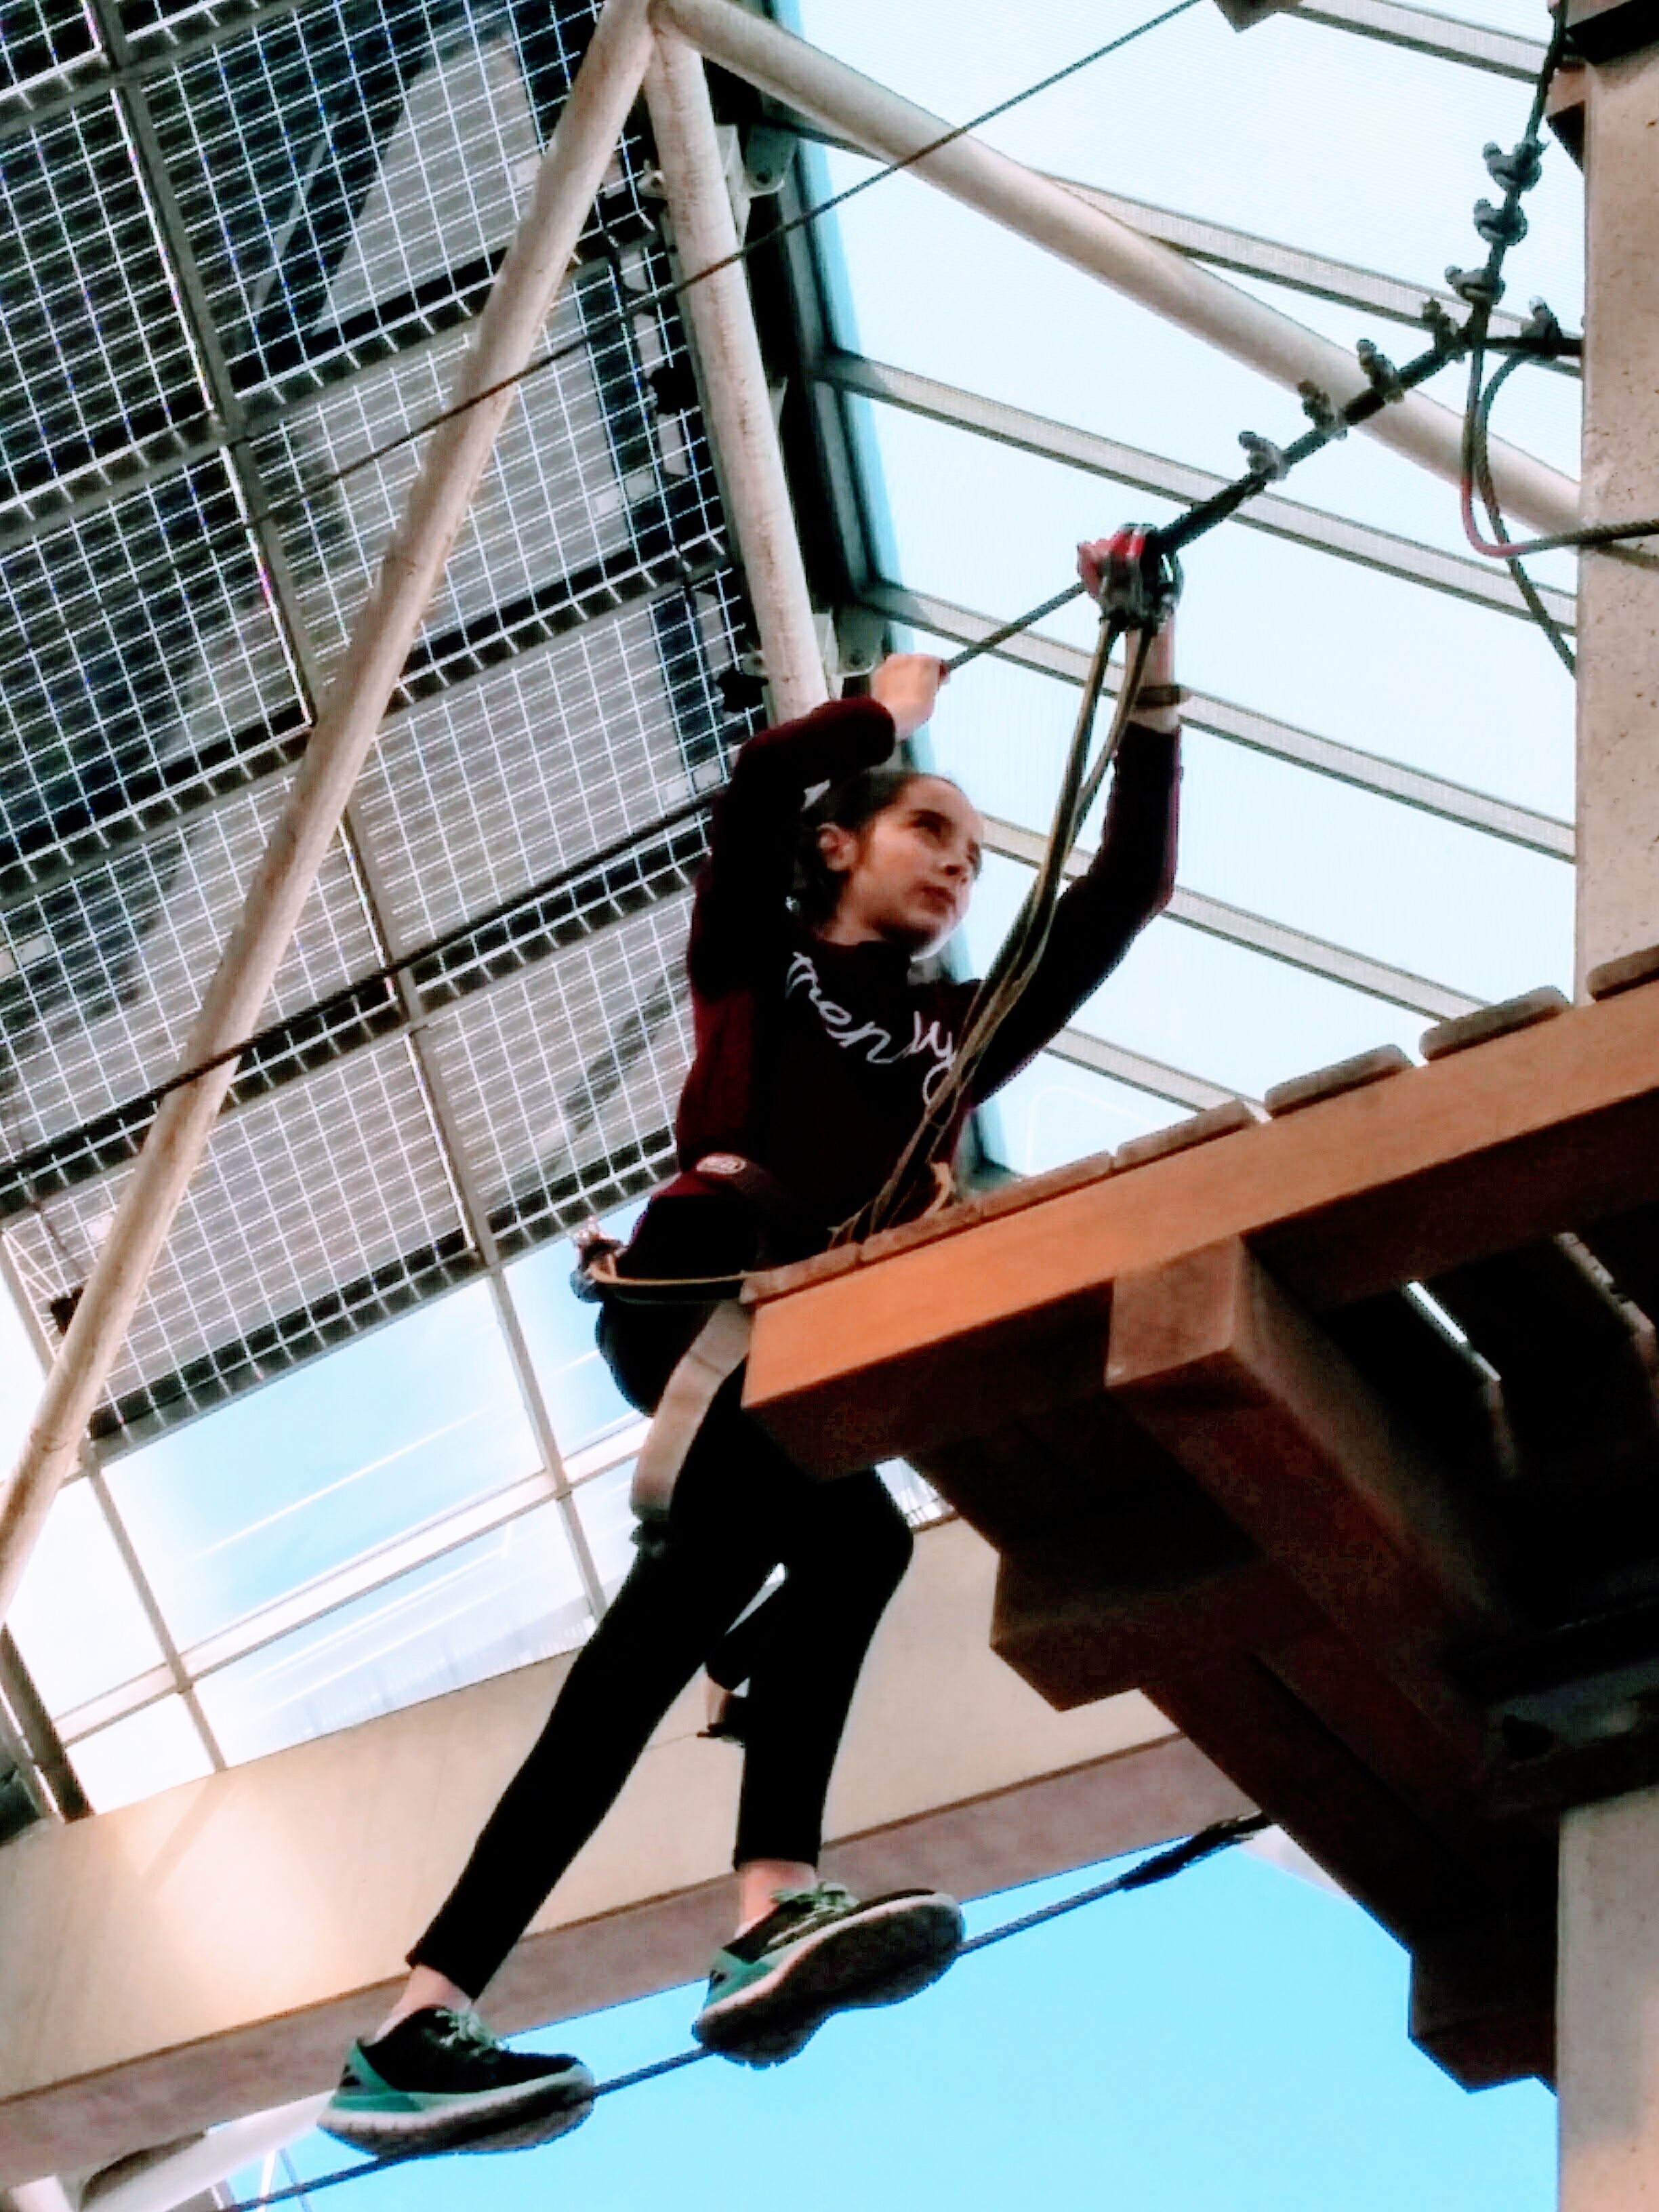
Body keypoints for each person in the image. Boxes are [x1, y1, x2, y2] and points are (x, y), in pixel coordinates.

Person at [320, 534, 1185, 2156]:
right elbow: (754, 792)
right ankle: (754, 1905)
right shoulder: (758, 960)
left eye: (977, 854)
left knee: (776, 1586)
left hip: (802, 1347)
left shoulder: (951, 1040)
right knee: (793, 1578)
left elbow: (1121, 894)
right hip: (707, 1298)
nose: (960, 868)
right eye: (931, 830)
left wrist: (1148, 667)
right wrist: (882, 711)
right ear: (839, 845)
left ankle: (432, 2012)